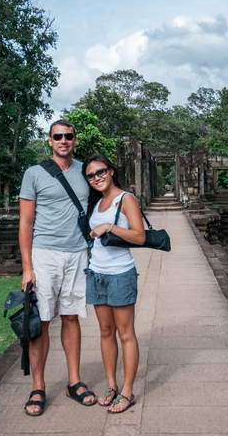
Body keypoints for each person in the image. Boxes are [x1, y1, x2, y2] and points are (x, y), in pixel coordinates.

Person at [18, 120, 97, 416]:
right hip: (44, 255)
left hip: (77, 253)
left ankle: (74, 381)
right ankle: (38, 386)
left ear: (75, 140)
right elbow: (25, 222)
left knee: (71, 317)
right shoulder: (34, 173)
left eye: (68, 136)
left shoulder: (85, 171)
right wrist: (28, 267)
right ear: (50, 141)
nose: (63, 141)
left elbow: (102, 199)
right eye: (58, 137)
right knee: (42, 323)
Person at [81, 153, 146, 414]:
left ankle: (127, 391)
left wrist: (110, 226)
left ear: (111, 171)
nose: (97, 178)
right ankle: (111, 385)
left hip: (120, 273)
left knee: (125, 332)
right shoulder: (96, 203)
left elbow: (139, 236)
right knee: (106, 332)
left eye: (100, 172)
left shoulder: (125, 199)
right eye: (91, 175)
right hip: (96, 273)